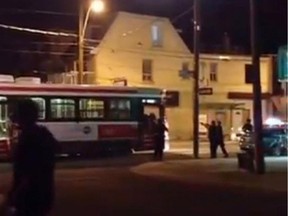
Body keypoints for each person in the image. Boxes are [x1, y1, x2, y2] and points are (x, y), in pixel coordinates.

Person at [6, 99, 58, 216]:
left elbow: (28, 171)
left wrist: (14, 195)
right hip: (43, 194)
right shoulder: (42, 134)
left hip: (30, 196)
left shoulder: (30, 137)